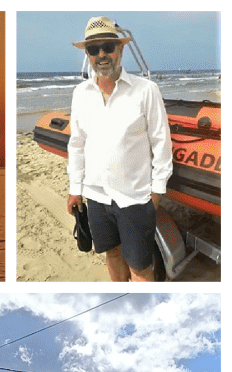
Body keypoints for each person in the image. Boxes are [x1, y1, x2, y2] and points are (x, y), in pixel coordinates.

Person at [65, 16, 172, 282]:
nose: (101, 55)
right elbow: (77, 143)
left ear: (120, 49)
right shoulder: (80, 94)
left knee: (140, 267)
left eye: (108, 47)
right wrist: (75, 190)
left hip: (134, 197)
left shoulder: (146, 91)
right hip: (96, 196)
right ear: (88, 55)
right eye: (93, 49)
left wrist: (157, 191)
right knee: (112, 254)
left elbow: (161, 141)